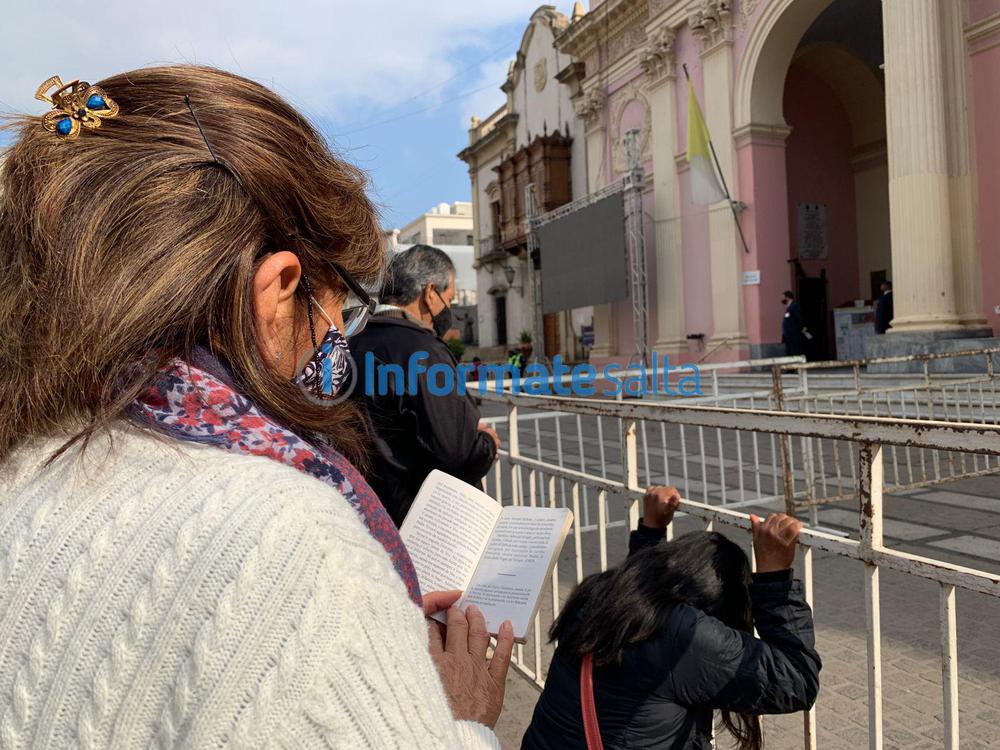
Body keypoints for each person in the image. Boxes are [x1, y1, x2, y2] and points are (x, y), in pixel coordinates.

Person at [0, 65, 513, 749]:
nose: (337, 343)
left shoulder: (28, 453)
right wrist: (460, 716)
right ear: (278, 288)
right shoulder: (291, 540)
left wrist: (369, 634)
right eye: (337, 314)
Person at [522, 486, 821, 750]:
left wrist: (650, 531)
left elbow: (639, 591)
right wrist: (774, 579)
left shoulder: (600, 599)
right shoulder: (685, 635)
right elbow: (797, 680)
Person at [350, 244, 500, 525]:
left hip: (368, 515)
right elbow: (456, 453)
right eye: (450, 300)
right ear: (430, 294)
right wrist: (487, 443)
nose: (449, 310)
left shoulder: (352, 342)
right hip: (422, 523)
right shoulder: (425, 351)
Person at [781, 290, 810, 357]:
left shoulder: (794, 306)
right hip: (789, 336)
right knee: (790, 353)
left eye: (783, 297)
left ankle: (797, 366)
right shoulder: (789, 307)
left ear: (787, 298)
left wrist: (801, 329)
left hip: (793, 336)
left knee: (795, 353)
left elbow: (800, 319)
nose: (782, 299)